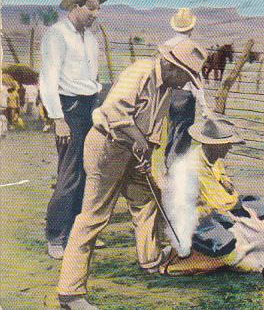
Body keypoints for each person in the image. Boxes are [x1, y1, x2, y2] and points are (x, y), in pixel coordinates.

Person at [56, 36, 207, 309]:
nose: (185, 83)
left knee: (148, 198)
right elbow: (115, 113)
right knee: (94, 216)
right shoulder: (139, 72)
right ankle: (70, 293)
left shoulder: (166, 88)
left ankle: (150, 259)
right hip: (107, 146)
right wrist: (139, 141)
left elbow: (153, 127)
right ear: (171, 66)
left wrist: (146, 152)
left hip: (132, 151)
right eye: (185, 76)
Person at [39, 0, 112, 259]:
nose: (96, 13)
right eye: (91, 8)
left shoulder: (90, 39)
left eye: (98, 9)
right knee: (69, 175)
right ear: (76, 6)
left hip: (89, 108)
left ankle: (78, 232)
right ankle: (56, 236)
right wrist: (58, 118)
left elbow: (91, 80)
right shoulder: (57, 34)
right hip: (68, 110)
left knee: (89, 171)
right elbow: (48, 80)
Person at [159, 117, 264, 275]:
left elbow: (224, 182)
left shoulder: (213, 158)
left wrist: (230, 192)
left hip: (218, 209)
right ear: (214, 145)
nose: (230, 147)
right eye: (226, 144)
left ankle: (231, 228)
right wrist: (237, 206)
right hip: (196, 217)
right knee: (224, 243)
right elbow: (218, 200)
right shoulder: (195, 165)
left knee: (262, 204)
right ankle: (191, 253)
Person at [164, 8, 211, 169]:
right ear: (191, 28)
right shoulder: (193, 49)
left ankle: (168, 164)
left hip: (166, 95)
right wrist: (204, 107)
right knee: (183, 135)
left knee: (170, 131)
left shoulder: (166, 46)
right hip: (185, 96)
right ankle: (176, 169)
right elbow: (196, 80)